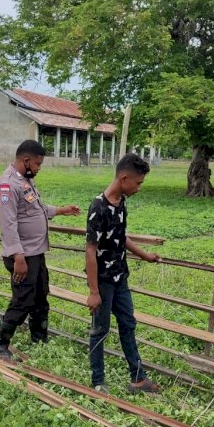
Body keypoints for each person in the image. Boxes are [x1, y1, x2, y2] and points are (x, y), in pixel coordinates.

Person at [0, 139, 80, 357]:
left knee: (41, 296)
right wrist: (18, 257)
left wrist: (61, 210)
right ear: (26, 160)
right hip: (22, 256)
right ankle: (1, 343)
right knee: (22, 300)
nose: (39, 168)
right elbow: (8, 223)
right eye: (38, 164)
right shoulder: (7, 185)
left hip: (36, 253)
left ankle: (39, 338)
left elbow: (35, 209)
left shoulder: (25, 180)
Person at [85, 153, 162, 394]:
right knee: (100, 329)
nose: (139, 188)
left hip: (121, 277)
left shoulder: (121, 204)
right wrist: (94, 291)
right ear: (124, 178)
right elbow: (90, 250)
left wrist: (144, 255)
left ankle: (138, 378)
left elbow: (121, 237)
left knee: (128, 323)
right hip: (104, 282)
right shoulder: (98, 208)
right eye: (138, 183)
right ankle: (98, 381)